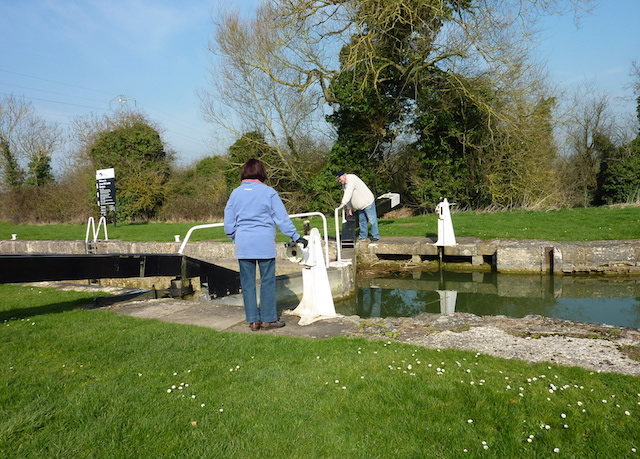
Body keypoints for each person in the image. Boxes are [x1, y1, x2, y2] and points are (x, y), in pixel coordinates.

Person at [224, 159, 307, 331]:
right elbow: (281, 218)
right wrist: (295, 236)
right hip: (264, 243)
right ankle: (269, 319)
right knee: (267, 281)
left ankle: (253, 320)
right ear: (261, 173)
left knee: (247, 283)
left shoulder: (235, 193)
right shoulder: (269, 192)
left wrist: (235, 237)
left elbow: (229, 223)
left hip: (244, 243)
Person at [336, 171, 380, 242]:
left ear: (344, 176)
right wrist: (349, 209)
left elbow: (348, 192)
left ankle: (376, 236)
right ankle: (363, 236)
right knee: (362, 221)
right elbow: (348, 197)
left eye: (340, 179)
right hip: (360, 205)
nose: (339, 181)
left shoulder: (352, 179)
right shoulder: (344, 184)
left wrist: (343, 203)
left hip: (367, 202)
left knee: (372, 220)